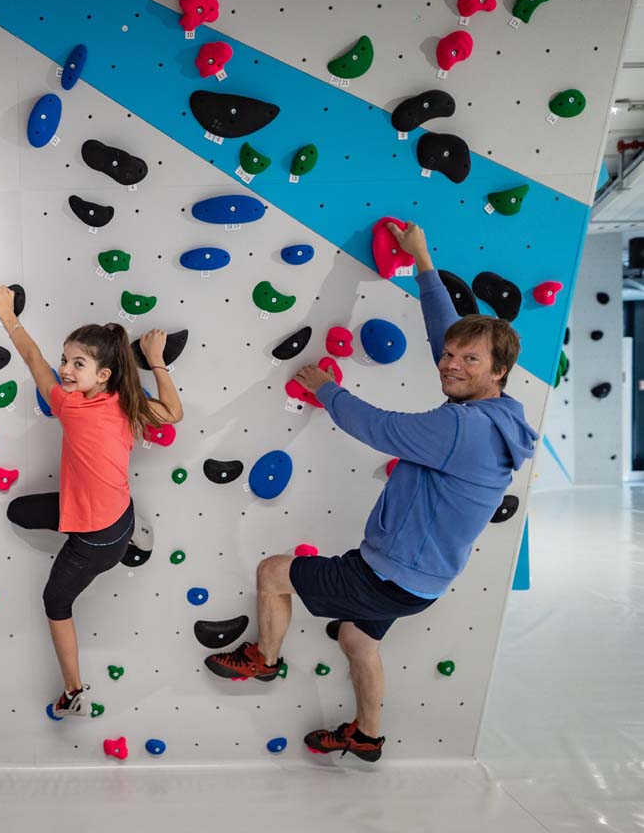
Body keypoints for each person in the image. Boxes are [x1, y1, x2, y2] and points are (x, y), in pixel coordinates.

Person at [202, 221, 537, 761]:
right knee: (357, 641)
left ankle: (263, 659)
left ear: (498, 371)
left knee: (272, 573)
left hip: (388, 574)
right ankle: (367, 736)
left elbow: (379, 428)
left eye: (468, 360)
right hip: (420, 579)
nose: (451, 363)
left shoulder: (463, 427)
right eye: (451, 354)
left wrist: (326, 389)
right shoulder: (495, 414)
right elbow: (444, 335)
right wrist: (423, 262)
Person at [0, 286, 184, 718]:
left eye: (78, 363)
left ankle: (73, 692)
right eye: (66, 360)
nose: (65, 369)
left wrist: (7, 315)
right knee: (18, 511)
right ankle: (130, 529)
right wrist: (156, 360)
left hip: (96, 541)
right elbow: (173, 412)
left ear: (104, 375)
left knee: (54, 603)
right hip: (111, 511)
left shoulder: (70, 406)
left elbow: (32, 360)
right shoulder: (126, 401)